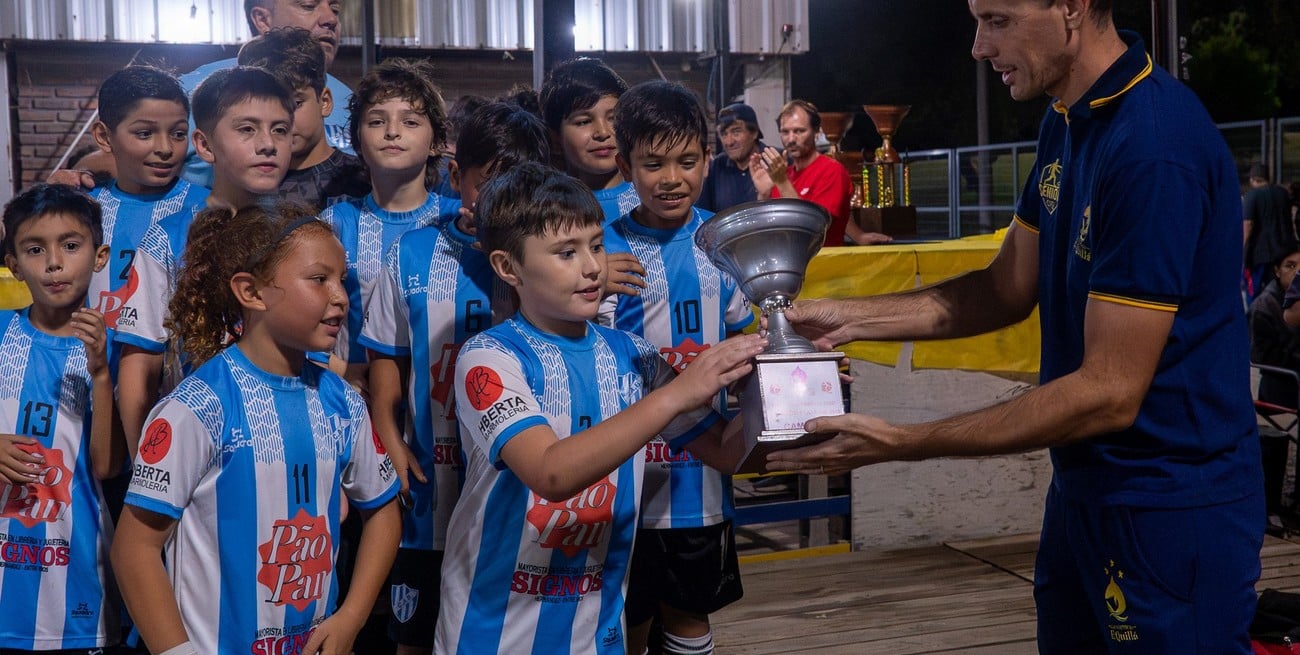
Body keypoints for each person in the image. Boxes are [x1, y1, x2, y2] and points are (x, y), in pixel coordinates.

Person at [774, 1, 1262, 651]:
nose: (978, 46)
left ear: (1070, 8)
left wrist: (902, 440)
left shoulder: (1153, 146)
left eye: (997, 20)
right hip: (1085, 494)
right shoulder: (1067, 121)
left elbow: (1110, 390)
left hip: (1170, 506)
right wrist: (851, 317)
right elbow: (1005, 287)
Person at [433, 162, 765, 655]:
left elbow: (725, 452)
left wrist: (776, 395)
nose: (592, 266)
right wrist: (677, 392)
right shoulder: (489, 358)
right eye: (566, 253)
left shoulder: (633, 355)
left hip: (597, 636)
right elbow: (550, 473)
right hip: (492, 635)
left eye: (595, 244)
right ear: (508, 267)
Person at [110, 202, 401, 655]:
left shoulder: (342, 401)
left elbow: (383, 512)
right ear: (251, 291)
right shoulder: (197, 407)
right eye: (319, 279)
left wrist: (351, 618)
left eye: (341, 279)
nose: (341, 296)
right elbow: (134, 549)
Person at [360, 101, 549, 655]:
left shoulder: (547, 263)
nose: (497, 200)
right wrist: (391, 442)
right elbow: (387, 358)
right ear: (455, 176)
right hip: (430, 494)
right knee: (415, 638)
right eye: (486, 183)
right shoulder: (413, 252)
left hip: (517, 491)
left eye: (516, 185)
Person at [604, 80, 755, 655]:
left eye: (687, 161)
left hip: (700, 478)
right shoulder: (601, 247)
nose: (672, 178)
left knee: (690, 617)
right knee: (629, 621)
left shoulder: (725, 241)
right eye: (653, 163)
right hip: (623, 477)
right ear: (625, 165)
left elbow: (745, 335)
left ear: (707, 158)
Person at [113, 65, 294, 456]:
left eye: (280, 130)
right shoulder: (169, 237)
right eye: (247, 129)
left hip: (290, 440)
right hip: (197, 448)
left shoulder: (306, 235)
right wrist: (147, 467)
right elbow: (140, 363)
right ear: (205, 145)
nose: (268, 144)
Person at [0, 184, 123, 653]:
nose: (54, 262)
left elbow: (108, 467)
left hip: (73, 575)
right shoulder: (1, 331)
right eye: (35, 249)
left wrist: (100, 374)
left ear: (98, 255)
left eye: (70, 246)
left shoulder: (116, 350)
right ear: (14, 262)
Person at [319, 58, 453, 387]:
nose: (392, 131)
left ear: (436, 142)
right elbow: (295, 320)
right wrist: (342, 370)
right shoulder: (333, 225)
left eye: (410, 122)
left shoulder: (457, 220)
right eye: (377, 122)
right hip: (355, 399)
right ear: (357, 141)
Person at [86, 65, 209, 333]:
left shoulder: (209, 211)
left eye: (178, 134)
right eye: (144, 133)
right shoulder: (81, 208)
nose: (165, 148)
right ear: (104, 136)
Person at [178, 0, 352, 188]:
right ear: (262, 19)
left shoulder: (350, 99)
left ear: (325, 101)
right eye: (308, 5)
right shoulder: (188, 94)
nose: (330, 19)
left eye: (335, 9)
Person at [237, 27, 369, 211]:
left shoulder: (364, 180)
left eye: (296, 103)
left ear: (324, 102)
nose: (283, 119)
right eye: (267, 106)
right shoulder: (244, 187)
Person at [751, 100, 880, 246]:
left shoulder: (831, 170)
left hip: (822, 263)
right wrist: (763, 194)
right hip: (788, 264)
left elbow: (811, 227)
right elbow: (765, 227)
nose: (791, 139)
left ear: (817, 132)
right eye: (785, 132)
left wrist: (781, 182)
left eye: (799, 131)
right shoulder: (784, 175)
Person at [539, 57, 638, 224]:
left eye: (614, 118)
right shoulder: (538, 209)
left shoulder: (653, 199)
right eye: (583, 122)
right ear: (555, 138)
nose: (602, 132)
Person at [1248, 249, 1300, 522]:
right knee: (1276, 443)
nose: (1296, 272)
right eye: (1290, 265)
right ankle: (1270, 508)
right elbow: (1263, 356)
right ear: (1277, 269)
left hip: (1291, 379)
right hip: (1279, 382)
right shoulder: (1265, 306)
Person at [697, 102, 765, 213]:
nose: (729, 142)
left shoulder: (776, 162)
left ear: (754, 133)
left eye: (736, 132)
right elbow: (702, 214)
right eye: (724, 134)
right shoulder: (715, 167)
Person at [1244, 162, 1297, 301]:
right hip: (1283, 252)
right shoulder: (1283, 193)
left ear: (1253, 179)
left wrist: (1242, 248)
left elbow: (1248, 224)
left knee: (1253, 292)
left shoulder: (1252, 196)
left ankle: (1254, 319)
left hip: (1259, 254)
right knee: (1280, 291)